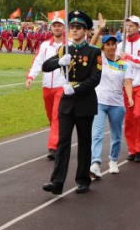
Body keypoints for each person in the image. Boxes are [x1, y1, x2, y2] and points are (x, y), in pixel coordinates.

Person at [42, 10, 102, 195]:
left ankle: (82, 179)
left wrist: (75, 88)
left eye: (79, 28)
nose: (74, 30)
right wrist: (59, 62)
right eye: (73, 27)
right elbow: (45, 66)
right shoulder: (63, 50)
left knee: (84, 142)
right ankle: (57, 181)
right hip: (67, 104)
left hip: (84, 102)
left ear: (86, 31)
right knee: (63, 143)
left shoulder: (93, 52)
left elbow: (95, 79)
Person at [89, 27, 134, 177]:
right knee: (97, 133)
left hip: (117, 104)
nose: (111, 47)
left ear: (116, 46)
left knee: (116, 134)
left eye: (113, 44)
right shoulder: (99, 59)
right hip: (99, 102)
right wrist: (99, 30)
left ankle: (113, 160)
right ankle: (95, 163)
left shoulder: (123, 63)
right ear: (103, 47)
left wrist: (130, 97)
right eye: (107, 44)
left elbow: (127, 82)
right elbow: (90, 46)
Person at [26, 18, 66, 160]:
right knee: (51, 116)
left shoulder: (69, 46)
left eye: (59, 26)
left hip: (62, 86)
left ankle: (53, 147)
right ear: (51, 28)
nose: (57, 28)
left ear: (63, 28)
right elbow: (37, 62)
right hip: (47, 86)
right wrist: (31, 77)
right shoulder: (45, 46)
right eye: (54, 26)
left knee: (56, 115)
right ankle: (58, 137)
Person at [117, 15, 140, 163]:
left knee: (138, 115)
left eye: (132, 26)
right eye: (127, 26)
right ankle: (132, 149)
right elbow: (115, 66)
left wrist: (128, 58)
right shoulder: (120, 45)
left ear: (138, 27)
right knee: (129, 119)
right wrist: (119, 63)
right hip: (125, 87)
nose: (129, 28)